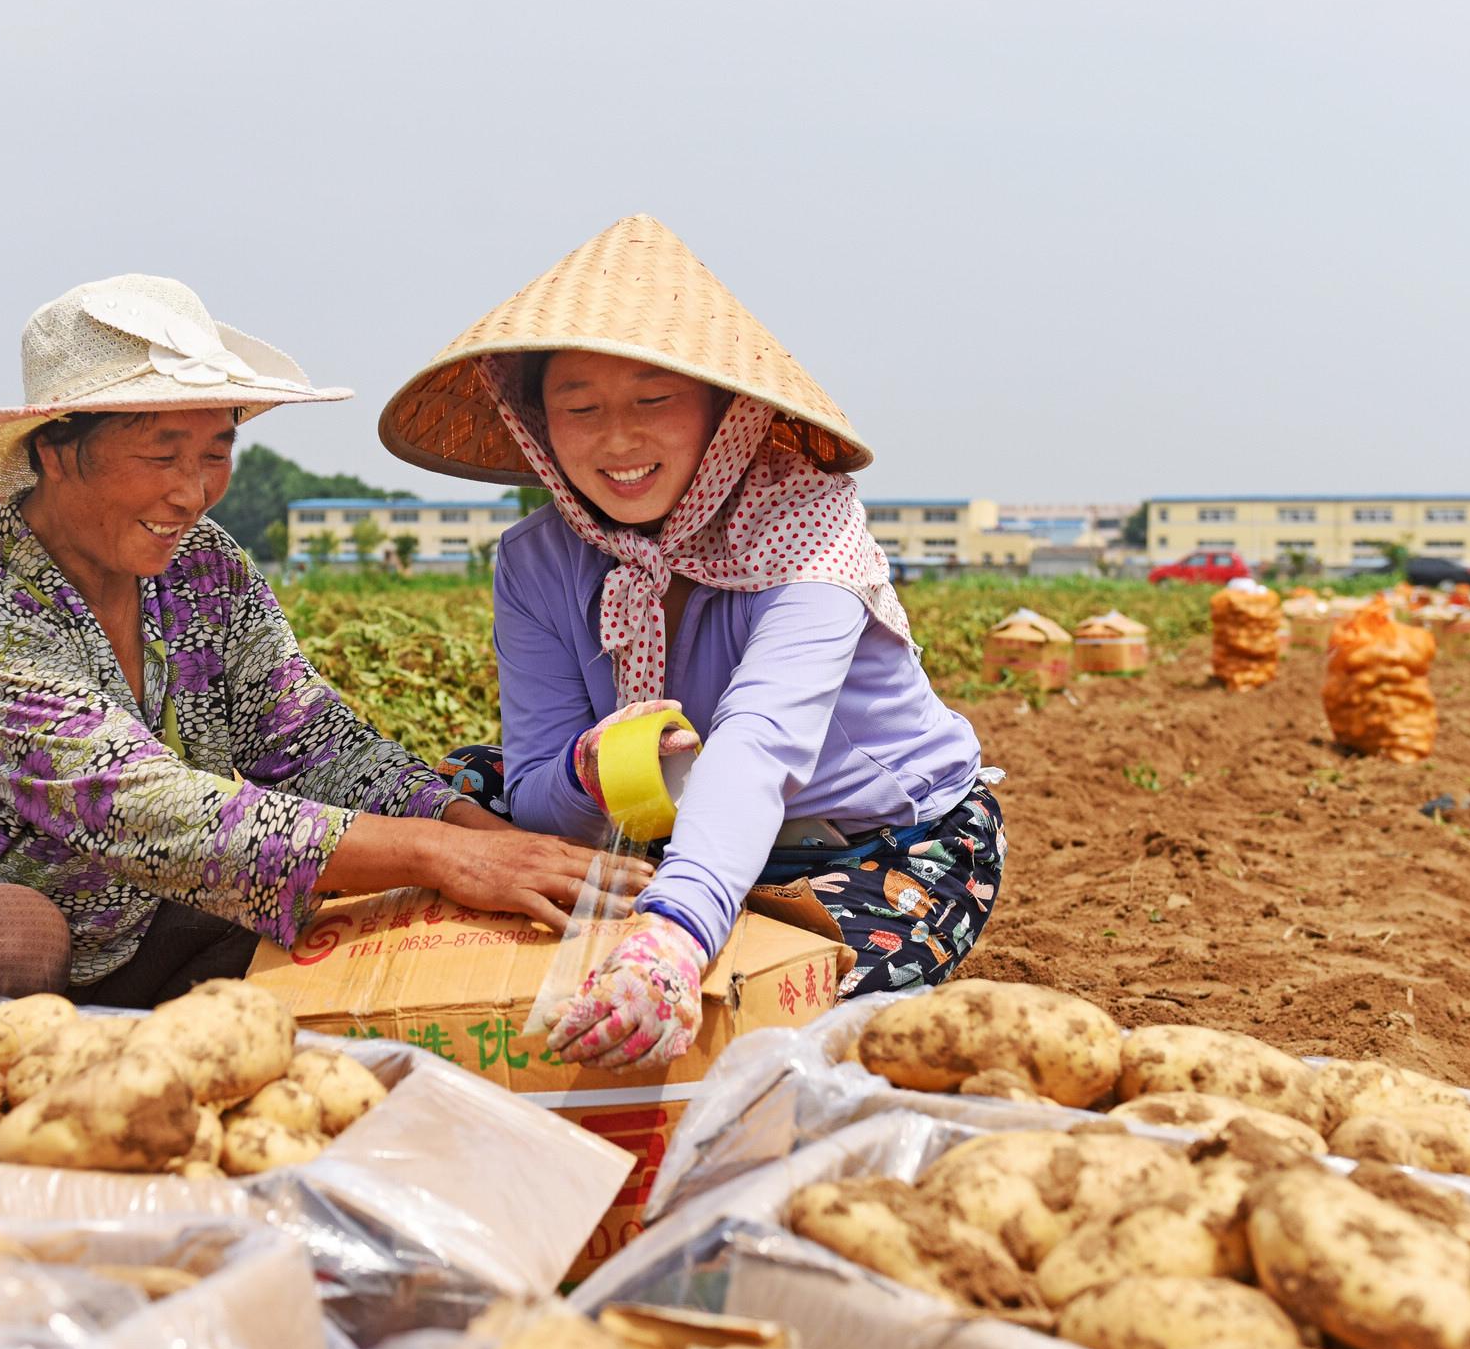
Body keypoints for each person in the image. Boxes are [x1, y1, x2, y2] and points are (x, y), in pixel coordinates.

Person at [0, 274, 646, 1004]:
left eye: (215, 451)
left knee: (334, 909)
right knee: (12, 938)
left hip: (117, 930)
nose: (193, 492)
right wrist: (441, 854)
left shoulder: (204, 568)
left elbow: (313, 743)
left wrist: (469, 828)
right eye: (160, 454)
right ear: (60, 452)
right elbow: (139, 808)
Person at [381, 216, 1004, 1070]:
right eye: (581, 407)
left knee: (774, 1016)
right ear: (538, 425)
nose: (618, 439)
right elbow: (532, 787)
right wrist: (585, 772)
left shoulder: (807, 529)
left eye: (654, 399)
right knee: (449, 790)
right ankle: (672, 912)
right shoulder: (538, 561)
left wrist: (672, 934)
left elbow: (755, 749)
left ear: (724, 408)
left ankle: (684, 928)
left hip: (871, 843)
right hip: (663, 829)